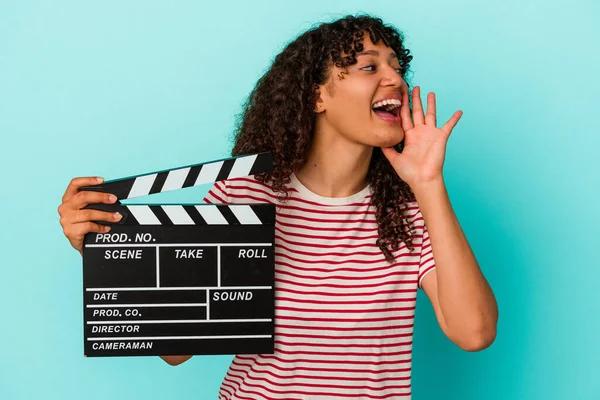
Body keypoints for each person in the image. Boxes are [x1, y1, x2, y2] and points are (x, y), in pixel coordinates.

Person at [58, 14, 498, 400]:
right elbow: (177, 350)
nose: (395, 79)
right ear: (317, 97)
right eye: (369, 66)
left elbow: (474, 332)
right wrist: (104, 253)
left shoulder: (409, 211)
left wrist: (428, 184)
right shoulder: (245, 196)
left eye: (397, 68)